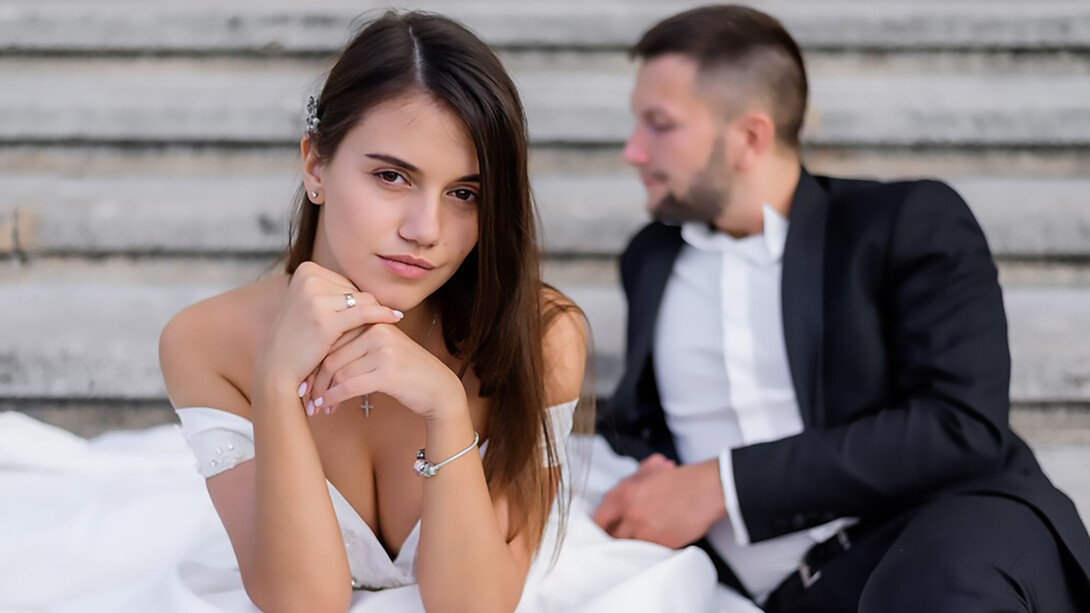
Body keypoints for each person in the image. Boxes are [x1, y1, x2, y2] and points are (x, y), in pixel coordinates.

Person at [593, 5, 1090, 611]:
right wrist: (648, 477)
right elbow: (638, 421)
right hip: (793, 594)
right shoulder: (651, 258)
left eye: (659, 125)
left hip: (939, 528)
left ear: (749, 136)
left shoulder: (907, 222)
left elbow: (962, 425)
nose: (633, 152)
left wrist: (722, 486)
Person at [158, 11, 590, 613]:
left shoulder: (540, 336)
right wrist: (277, 382)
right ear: (315, 166)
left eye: (464, 193)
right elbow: (302, 604)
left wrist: (445, 407)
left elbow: (474, 607)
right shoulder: (206, 342)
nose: (426, 230)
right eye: (391, 176)